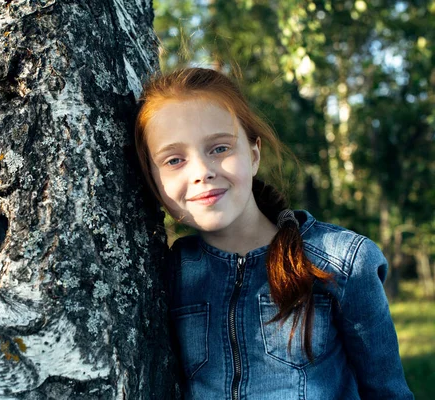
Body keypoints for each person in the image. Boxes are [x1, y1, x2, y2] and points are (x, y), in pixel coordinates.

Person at [134, 67, 413, 399]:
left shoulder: (343, 261)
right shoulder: (170, 273)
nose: (202, 172)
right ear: (152, 180)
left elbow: (388, 393)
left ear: (253, 155)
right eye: (175, 160)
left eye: (219, 149)